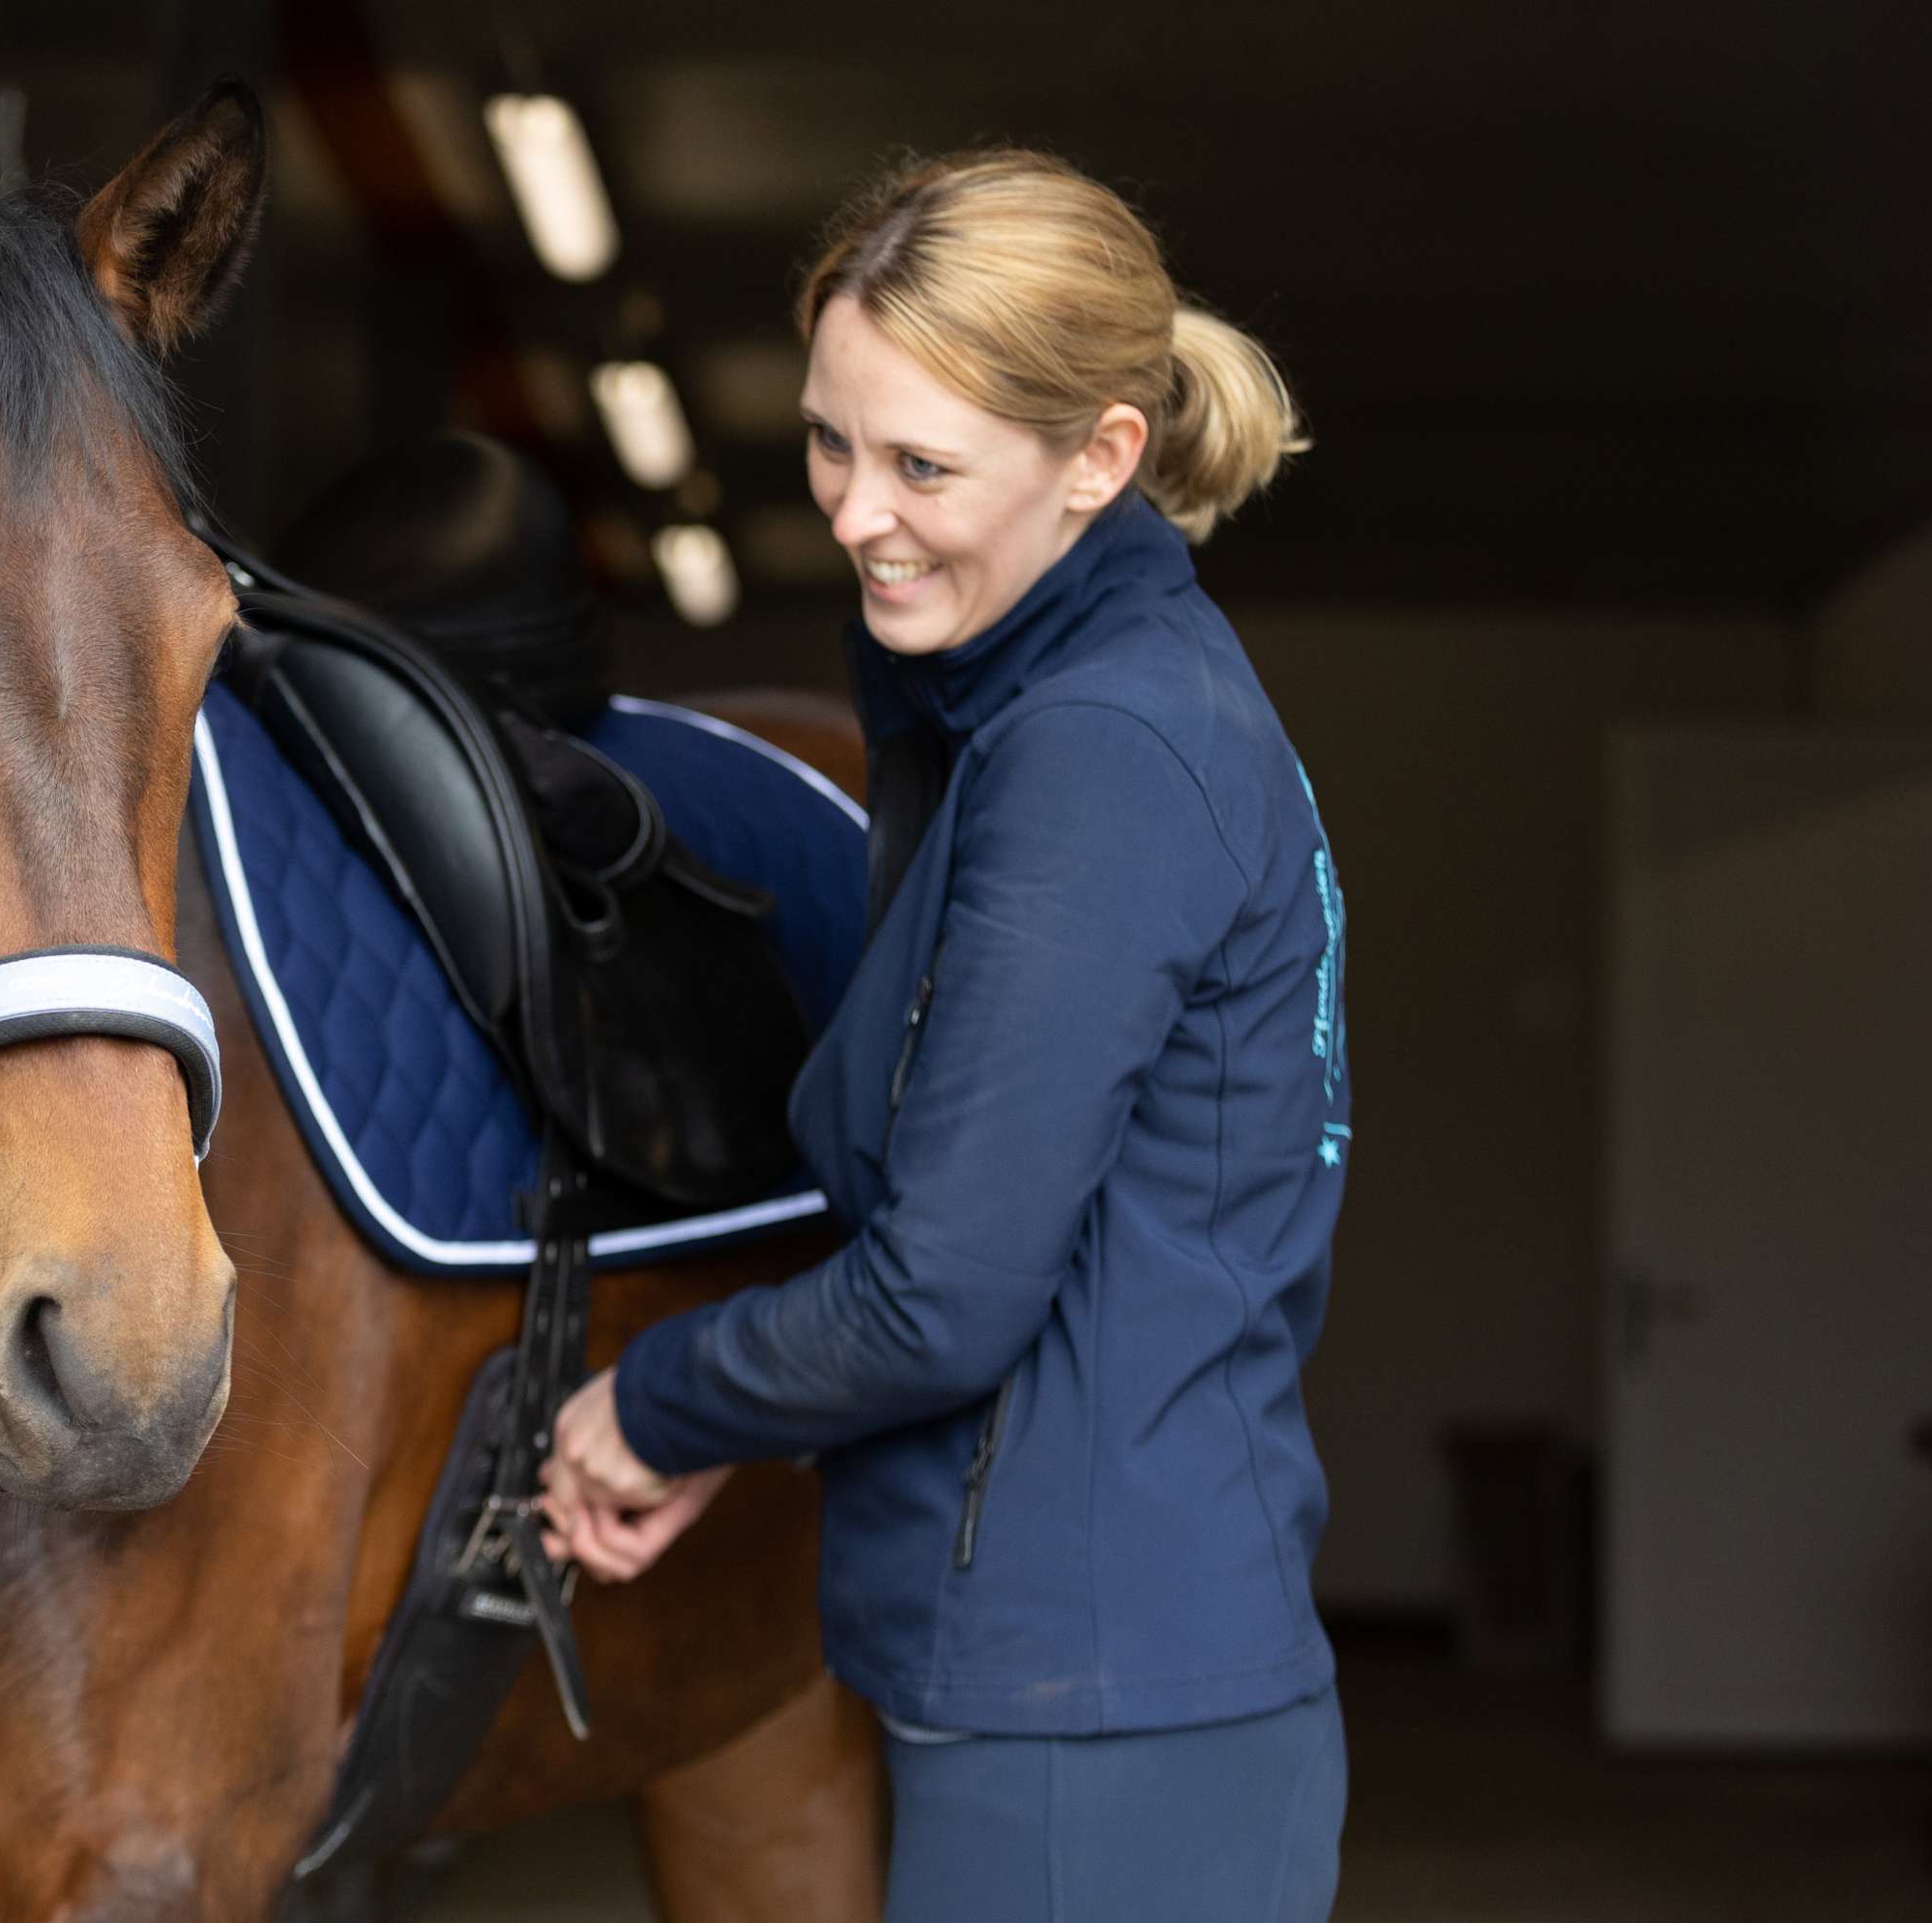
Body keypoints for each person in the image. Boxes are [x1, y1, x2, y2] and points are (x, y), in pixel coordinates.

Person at [539, 150, 1351, 1921]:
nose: (853, 510)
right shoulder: (1062, 713)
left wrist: (654, 1407)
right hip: (1111, 1681)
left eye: (921, 464)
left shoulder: (1099, 753)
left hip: (1096, 1718)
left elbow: (945, 1293)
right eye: (834, 441)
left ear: (1100, 461)